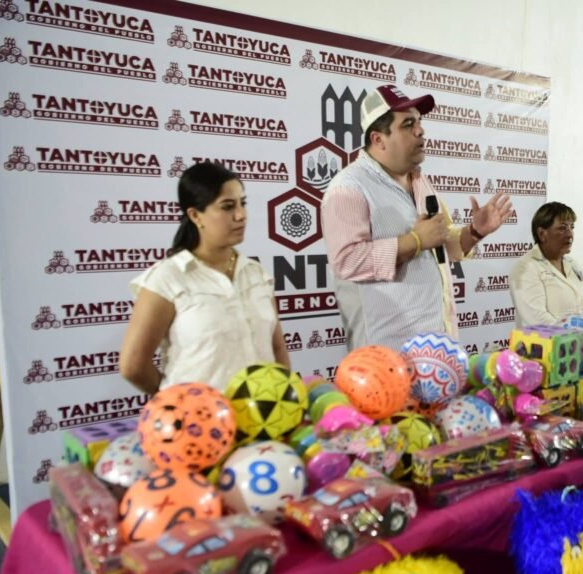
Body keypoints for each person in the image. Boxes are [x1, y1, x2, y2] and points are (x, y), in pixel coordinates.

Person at [322, 84, 513, 351]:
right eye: (408, 124)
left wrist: (475, 232)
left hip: (438, 351)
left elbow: (445, 246)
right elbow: (347, 261)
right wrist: (414, 241)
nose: (420, 130)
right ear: (378, 139)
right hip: (387, 361)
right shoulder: (349, 188)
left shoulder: (421, 182)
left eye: (420, 122)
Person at [119, 162, 289, 394]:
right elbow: (133, 366)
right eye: (227, 207)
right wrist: (179, 400)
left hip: (263, 422)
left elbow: (277, 349)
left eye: (243, 204)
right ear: (195, 215)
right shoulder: (167, 278)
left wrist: (282, 401)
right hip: (199, 425)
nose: (241, 215)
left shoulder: (255, 273)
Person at [509, 202, 583, 327]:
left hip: (582, 343)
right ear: (542, 234)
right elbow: (537, 318)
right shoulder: (525, 268)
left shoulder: (573, 265)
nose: (570, 234)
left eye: (571, 227)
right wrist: (577, 337)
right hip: (548, 345)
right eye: (562, 228)